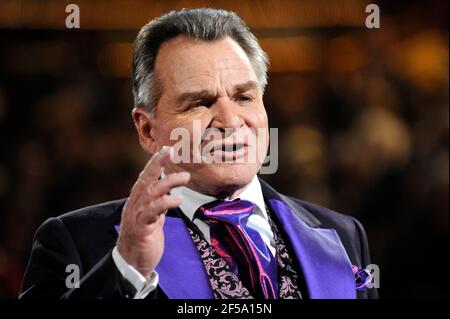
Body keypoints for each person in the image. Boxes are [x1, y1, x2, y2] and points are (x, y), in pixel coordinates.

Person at [19, 8, 377, 299]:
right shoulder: (78, 244)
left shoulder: (342, 235)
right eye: (199, 103)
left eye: (244, 97)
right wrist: (127, 271)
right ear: (147, 129)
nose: (229, 120)